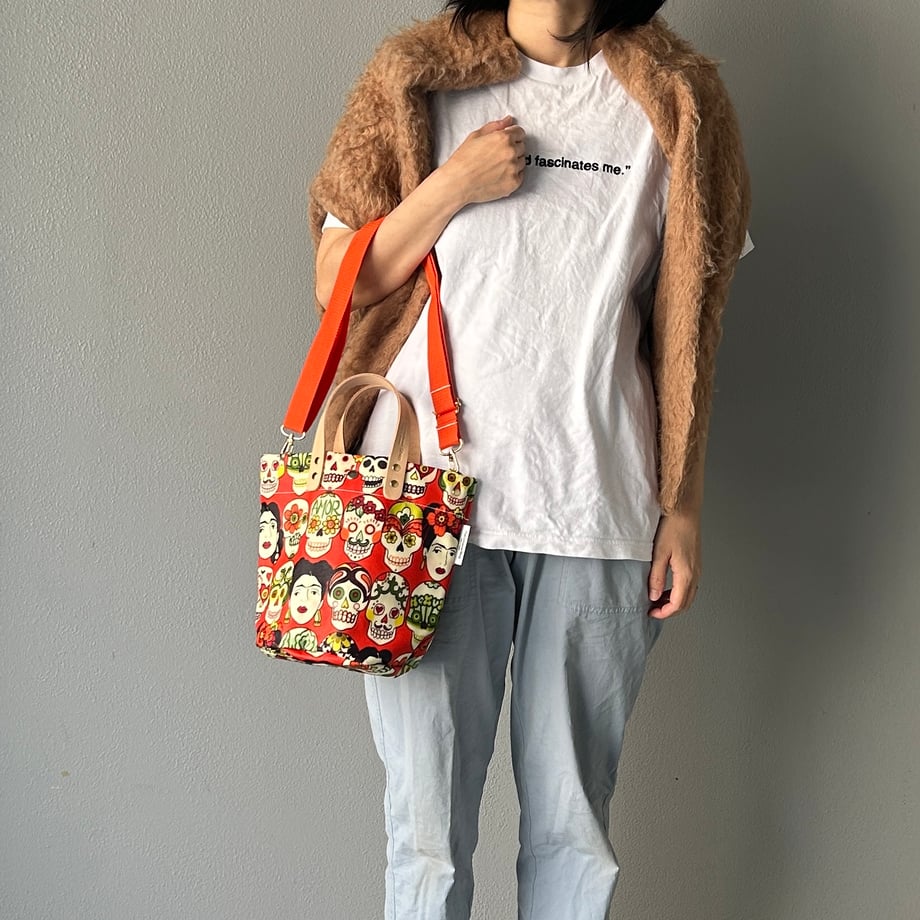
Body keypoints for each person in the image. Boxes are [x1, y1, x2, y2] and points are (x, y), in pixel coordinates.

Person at [308, 1, 752, 918]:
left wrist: (684, 505)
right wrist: (451, 186)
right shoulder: (415, 77)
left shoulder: (679, 101)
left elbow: (691, 325)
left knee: (572, 832)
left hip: (597, 502)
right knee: (426, 836)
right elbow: (337, 280)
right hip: (423, 506)